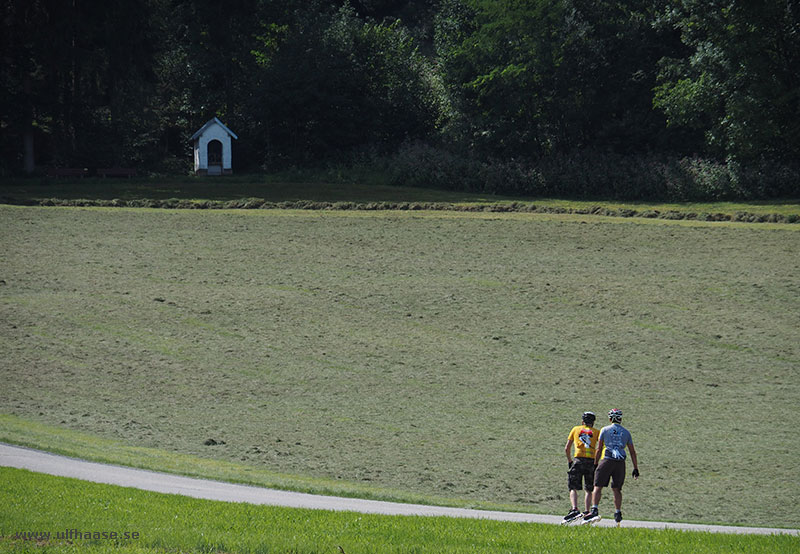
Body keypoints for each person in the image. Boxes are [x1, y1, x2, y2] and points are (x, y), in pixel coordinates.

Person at [583, 408, 639, 525]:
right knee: (617, 488)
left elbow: (599, 448)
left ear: (610, 419)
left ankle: (594, 509)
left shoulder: (605, 430)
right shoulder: (626, 432)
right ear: (620, 419)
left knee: (597, 485)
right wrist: (635, 468)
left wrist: (595, 463)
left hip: (607, 460)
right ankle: (617, 512)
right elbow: (632, 452)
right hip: (620, 462)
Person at [562, 411, 599, 523]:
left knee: (573, 486)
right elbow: (600, 448)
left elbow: (567, 448)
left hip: (578, 460)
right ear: (593, 422)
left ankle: (574, 509)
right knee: (589, 488)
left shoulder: (575, 429)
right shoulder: (597, 432)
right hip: (591, 461)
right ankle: (587, 511)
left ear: (582, 421)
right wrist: (596, 462)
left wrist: (570, 461)